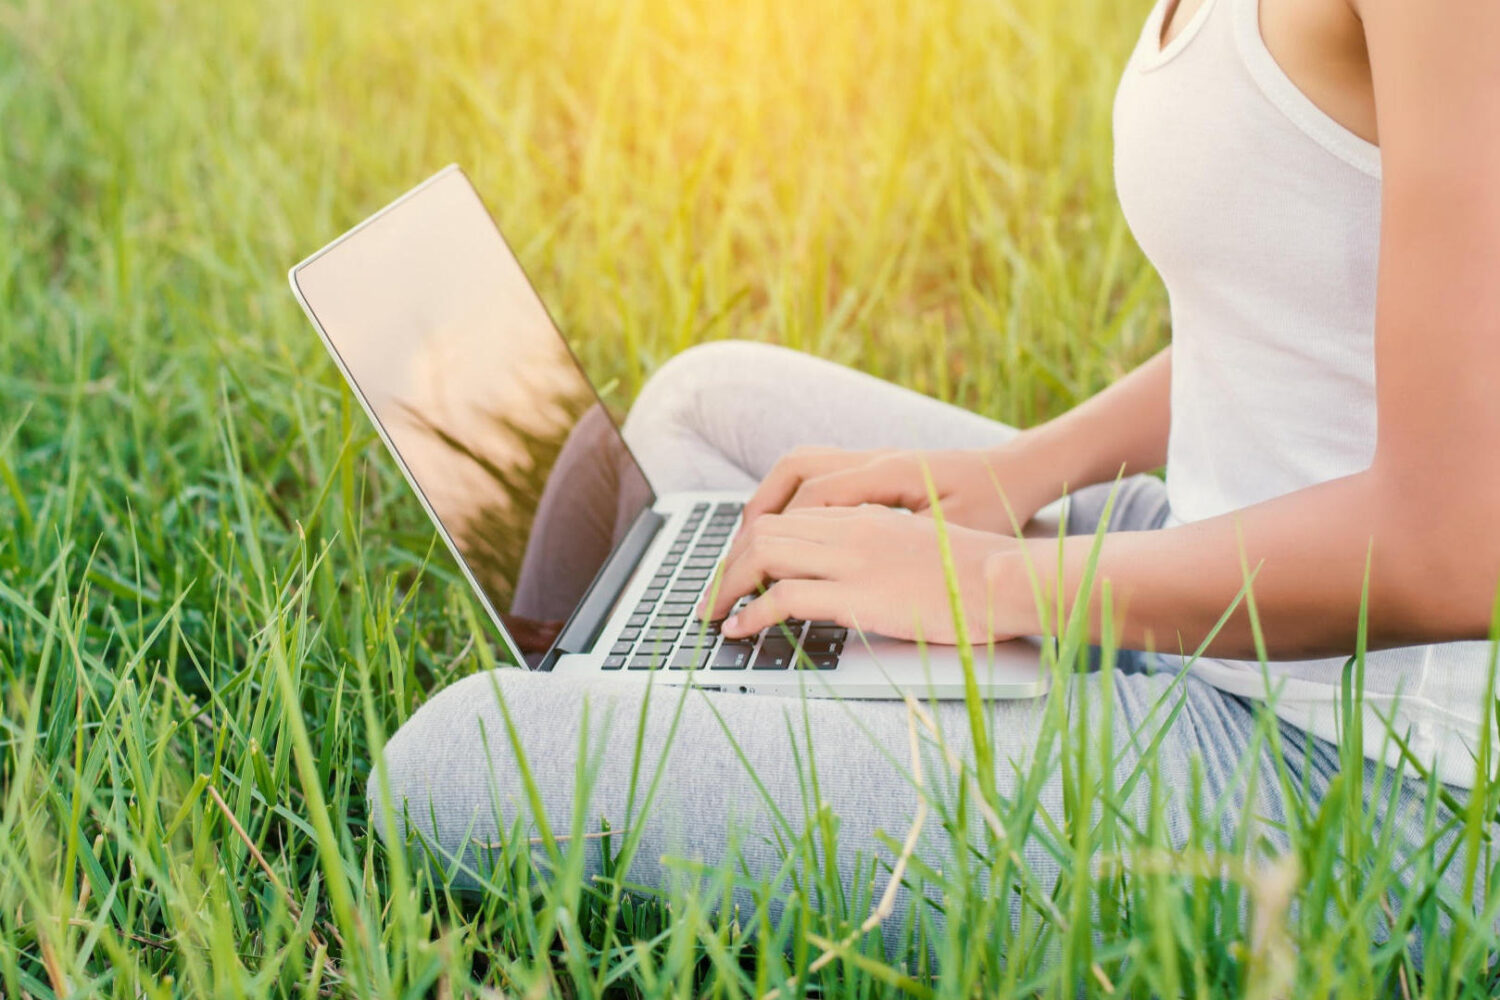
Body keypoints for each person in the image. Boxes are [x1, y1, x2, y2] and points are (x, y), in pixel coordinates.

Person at [372, 0, 1500, 951]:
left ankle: (647, 715)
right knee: (705, 407)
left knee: (454, 756)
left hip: (1375, 780)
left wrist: (984, 583)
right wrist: (1017, 470)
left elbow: (1452, 548)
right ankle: (682, 687)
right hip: (1216, 559)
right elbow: (1302, 292)